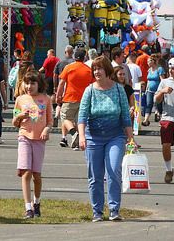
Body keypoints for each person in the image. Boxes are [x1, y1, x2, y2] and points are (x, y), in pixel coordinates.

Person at [77, 56, 134, 221]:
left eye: (99, 68)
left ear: (107, 70)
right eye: (94, 69)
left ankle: (114, 209)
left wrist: (130, 138)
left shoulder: (118, 89)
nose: (96, 72)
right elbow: (82, 116)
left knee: (113, 170)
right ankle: (97, 211)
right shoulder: (90, 90)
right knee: (95, 176)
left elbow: (125, 116)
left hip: (115, 136)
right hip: (93, 137)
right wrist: (81, 136)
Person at [13, 70, 53, 219]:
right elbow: (14, 122)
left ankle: (37, 203)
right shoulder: (21, 99)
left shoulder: (46, 99)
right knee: (26, 172)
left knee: (36, 174)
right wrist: (20, 116)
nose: (29, 86)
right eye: (27, 83)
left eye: (33, 83)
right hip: (24, 136)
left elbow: (50, 121)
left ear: (39, 84)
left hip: (39, 140)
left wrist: (47, 130)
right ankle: (28, 207)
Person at [56, 48, 93, 150]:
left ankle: (73, 133)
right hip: (84, 99)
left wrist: (58, 95)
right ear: (84, 57)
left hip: (70, 97)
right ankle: (76, 143)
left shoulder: (69, 68)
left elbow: (61, 82)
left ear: (74, 57)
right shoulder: (88, 70)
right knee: (79, 120)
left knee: (65, 117)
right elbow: (92, 85)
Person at [142, 54, 164, 126]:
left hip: (157, 90)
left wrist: (161, 90)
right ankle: (146, 120)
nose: (148, 63)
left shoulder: (159, 69)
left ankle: (161, 118)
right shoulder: (149, 70)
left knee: (158, 105)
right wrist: (146, 89)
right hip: (149, 90)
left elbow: (162, 80)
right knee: (148, 104)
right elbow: (148, 80)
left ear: (153, 61)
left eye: (149, 61)